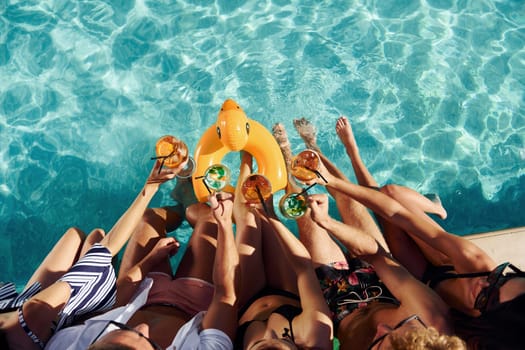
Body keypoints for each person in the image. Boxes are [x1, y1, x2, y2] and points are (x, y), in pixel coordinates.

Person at [333, 116, 525, 349]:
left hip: (423, 284)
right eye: (501, 277)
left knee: (385, 231)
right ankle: (435, 207)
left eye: (488, 298)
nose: (486, 283)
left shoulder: (464, 338)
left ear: (485, 324)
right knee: (391, 194)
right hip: (446, 267)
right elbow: (395, 213)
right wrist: (337, 183)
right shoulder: (477, 265)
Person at [272, 121, 464, 350]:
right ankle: (313, 149)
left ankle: (285, 154)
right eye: (397, 328)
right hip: (380, 278)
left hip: (338, 303)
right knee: (347, 197)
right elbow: (376, 254)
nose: (381, 329)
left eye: (379, 342)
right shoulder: (430, 317)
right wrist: (329, 222)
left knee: (303, 213)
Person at [0, 157, 185, 350]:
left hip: (21, 310)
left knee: (77, 235)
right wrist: (151, 186)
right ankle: (181, 209)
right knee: (98, 243)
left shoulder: (30, 314)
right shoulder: (37, 313)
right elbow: (108, 247)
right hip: (46, 317)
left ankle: (103, 275)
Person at [46, 186, 239, 349]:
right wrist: (224, 223)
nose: (143, 327)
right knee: (209, 220)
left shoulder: (71, 343)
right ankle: (191, 205)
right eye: (149, 342)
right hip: (194, 304)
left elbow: (107, 309)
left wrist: (149, 260)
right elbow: (225, 294)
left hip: (140, 294)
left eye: (122, 328)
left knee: (149, 218)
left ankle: (180, 209)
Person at [233, 151, 333, 349]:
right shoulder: (315, 334)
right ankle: (286, 163)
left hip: (247, 301)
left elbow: (222, 298)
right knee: (264, 217)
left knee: (247, 220)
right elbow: (304, 267)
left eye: (260, 343)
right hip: (287, 292)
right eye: (281, 339)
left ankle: (245, 158)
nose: (270, 332)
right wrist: (272, 216)